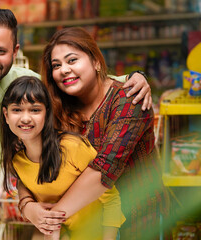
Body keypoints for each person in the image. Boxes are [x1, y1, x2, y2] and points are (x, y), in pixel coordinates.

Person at [0, 6, 151, 239]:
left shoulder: (22, 82)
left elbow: (71, 83)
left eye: (1, 51)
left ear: (15, 51)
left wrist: (133, 78)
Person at [18, 27, 168, 240]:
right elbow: (28, 160)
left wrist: (52, 220)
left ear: (96, 61)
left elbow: (104, 170)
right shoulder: (57, 110)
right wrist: (28, 206)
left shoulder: (128, 99)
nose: (64, 70)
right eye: (56, 65)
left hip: (139, 219)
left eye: (72, 60)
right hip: (85, 224)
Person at [1, 76, 125, 240]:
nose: (25, 118)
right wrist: (28, 207)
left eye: (35, 110)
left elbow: (111, 199)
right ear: (6, 114)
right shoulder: (17, 160)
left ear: (47, 113)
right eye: (17, 110)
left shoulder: (71, 147)